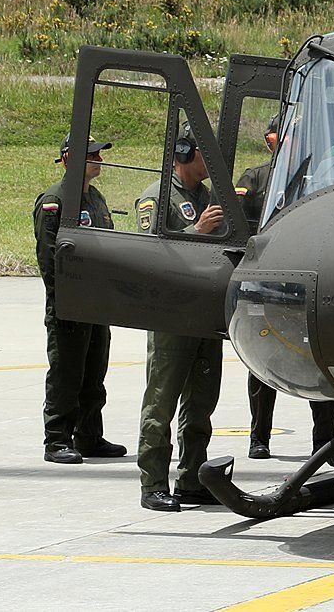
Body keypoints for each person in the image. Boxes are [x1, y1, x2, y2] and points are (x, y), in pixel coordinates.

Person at [235, 114, 334, 460]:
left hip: (308, 280)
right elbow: (237, 223)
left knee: (319, 360)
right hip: (268, 283)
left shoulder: (323, 175)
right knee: (262, 360)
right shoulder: (255, 177)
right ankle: (259, 437)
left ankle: (323, 441)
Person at [136, 122, 226, 512]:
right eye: (206, 151)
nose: (212, 160)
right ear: (185, 153)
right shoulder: (156, 198)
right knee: (161, 403)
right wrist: (197, 230)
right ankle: (153, 483)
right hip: (171, 317)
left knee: (202, 402)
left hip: (203, 314)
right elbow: (149, 254)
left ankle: (191, 479)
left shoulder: (209, 196)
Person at [32, 134, 126, 464]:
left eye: (98, 154)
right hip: (71, 305)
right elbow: (49, 258)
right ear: (69, 159)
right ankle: (57, 439)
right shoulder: (55, 200)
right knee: (66, 374)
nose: (99, 160)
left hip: (96, 303)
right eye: (92, 155)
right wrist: (65, 302)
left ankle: (89, 436)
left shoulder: (96, 198)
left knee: (94, 373)